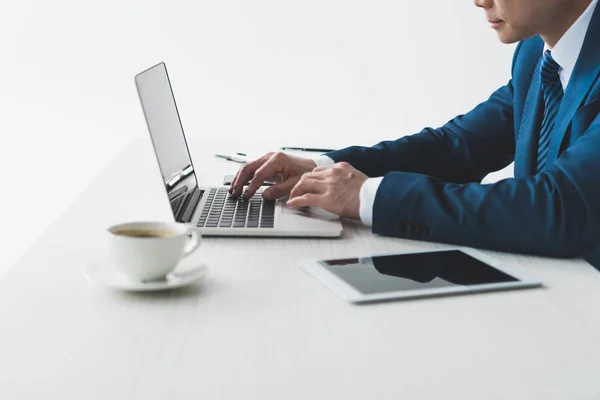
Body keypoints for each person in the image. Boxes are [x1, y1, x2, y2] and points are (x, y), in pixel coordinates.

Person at [229, 0, 600, 268]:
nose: (479, 1)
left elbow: (561, 207)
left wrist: (367, 196)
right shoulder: (535, 51)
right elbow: (459, 145)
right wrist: (322, 168)